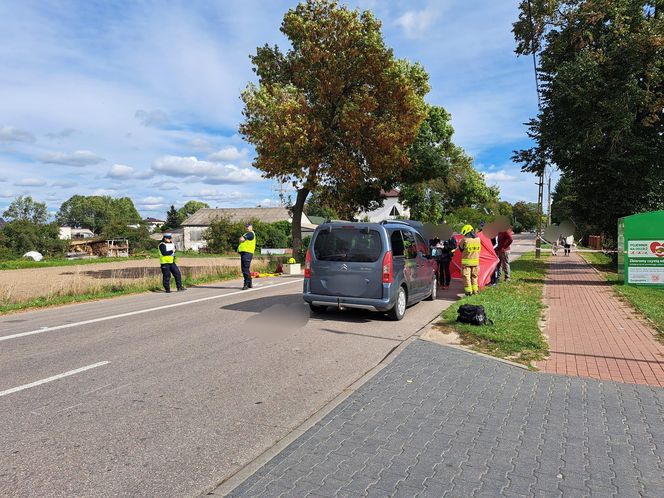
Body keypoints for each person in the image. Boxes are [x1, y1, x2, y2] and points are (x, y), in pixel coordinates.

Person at [458, 224, 481, 296]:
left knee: (466, 276)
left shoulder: (464, 239)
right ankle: (475, 290)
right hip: (476, 262)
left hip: (466, 262)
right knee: (474, 276)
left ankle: (468, 291)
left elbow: (461, 248)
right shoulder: (478, 239)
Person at [238, 223, 256, 290]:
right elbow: (241, 239)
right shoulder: (247, 234)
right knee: (245, 269)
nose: (247, 228)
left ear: (251, 227)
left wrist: (241, 239)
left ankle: (246, 284)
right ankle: (249, 282)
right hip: (246, 253)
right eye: (246, 227)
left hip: (247, 253)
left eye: (248, 227)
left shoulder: (250, 233)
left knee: (245, 269)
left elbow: (242, 239)